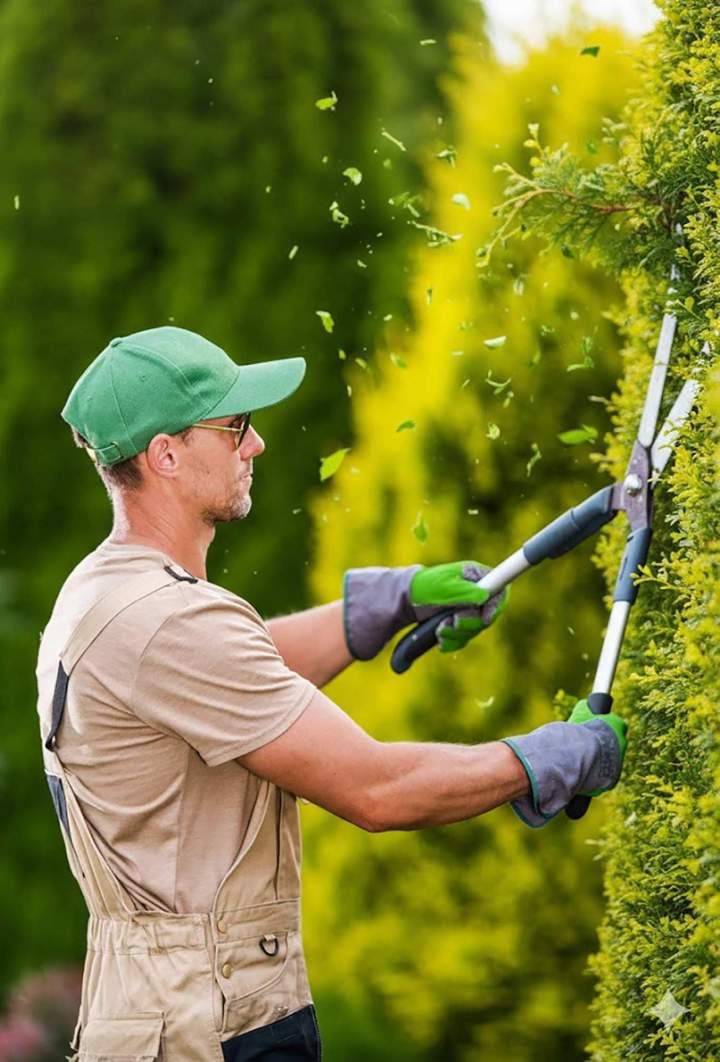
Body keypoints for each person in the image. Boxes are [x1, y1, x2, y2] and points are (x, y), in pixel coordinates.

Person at [35, 327, 627, 1062]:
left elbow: (237, 676)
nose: (256, 445)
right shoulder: (170, 621)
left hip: (159, 1010)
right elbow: (378, 790)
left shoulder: (105, 594)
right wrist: (551, 758)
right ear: (166, 455)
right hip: (212, 1026)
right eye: (235, 426)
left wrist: (388, 602)